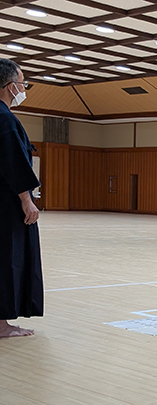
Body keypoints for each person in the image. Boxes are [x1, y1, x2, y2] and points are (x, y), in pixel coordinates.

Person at [0, 59, 43, 338]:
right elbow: (12, 162)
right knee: (8, 259)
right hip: (5, 207)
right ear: (10, 86)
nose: (23, 89)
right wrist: (27, 200)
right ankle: (1, 324)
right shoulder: (4, 119)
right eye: (22, 83)